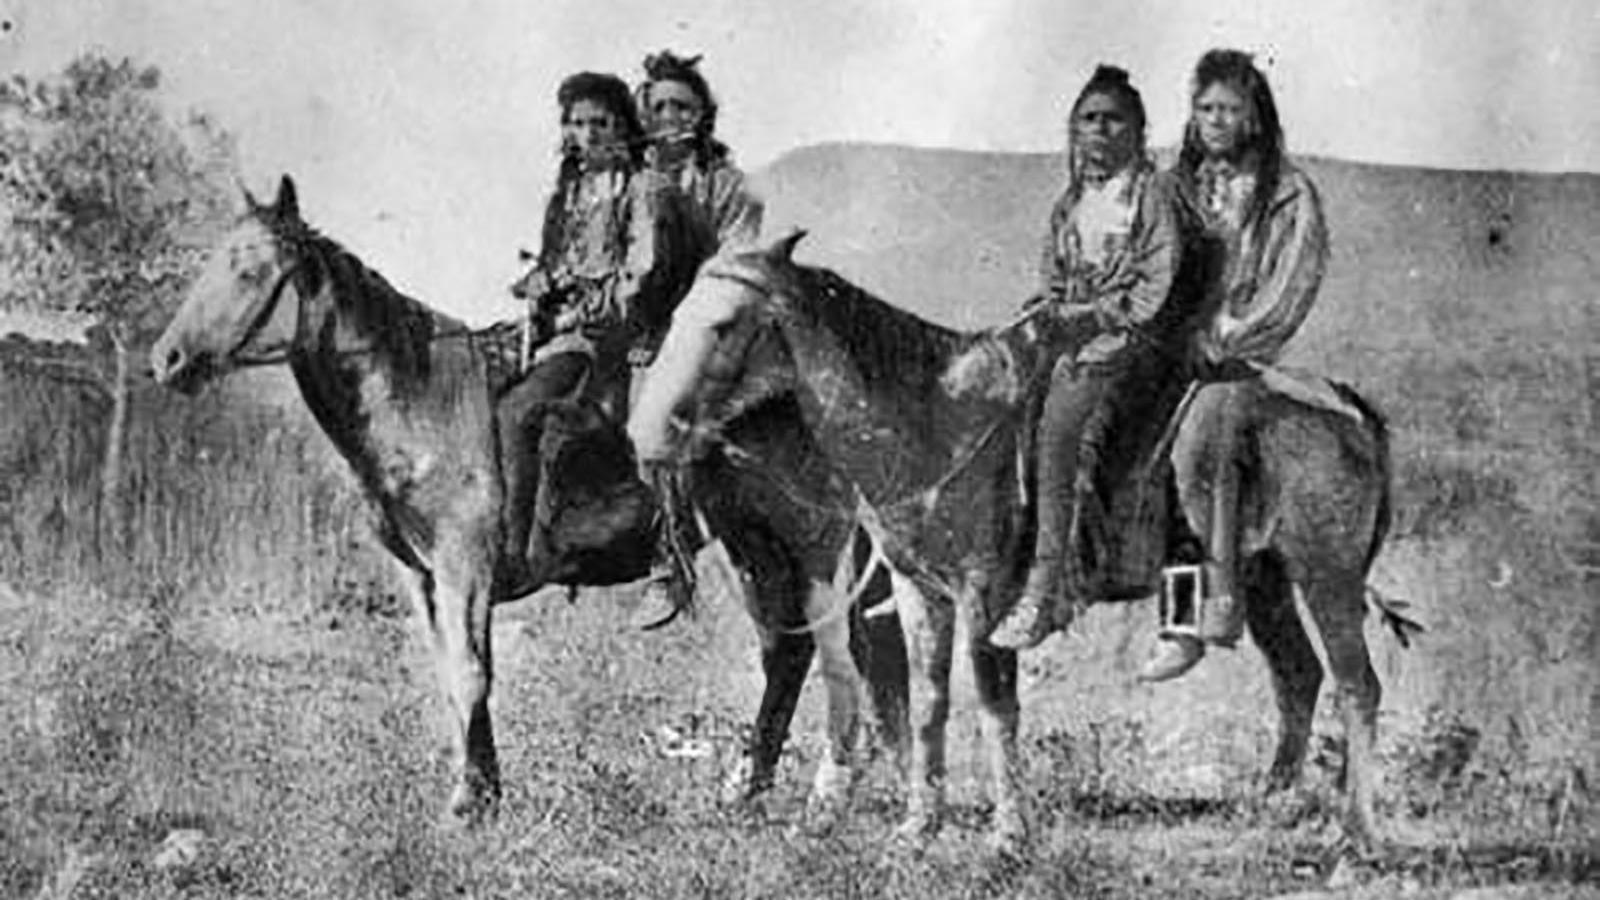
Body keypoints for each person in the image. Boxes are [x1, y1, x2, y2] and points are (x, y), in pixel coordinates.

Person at [988, 66, 1202, 651]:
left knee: (1064, 432)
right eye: (1089, 120)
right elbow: (1053, 277)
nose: (1101, 131)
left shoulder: (1151, 195)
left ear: (1137, 129)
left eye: (1114, 120)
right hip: (1079, 343)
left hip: (1136, 345)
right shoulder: (1071, 203)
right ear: (1074, 132)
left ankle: (1047, 591)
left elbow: (1156, 283)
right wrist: (1051, 310)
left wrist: (1092, 317)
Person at [1137, 49, 1331, 682]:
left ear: (1254, 116)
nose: (1216, 120)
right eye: (1205, 108)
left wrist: (1226, 337)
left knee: (1201, 439)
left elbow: (1290, 285)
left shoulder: (1288, 193)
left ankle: (1194, 615)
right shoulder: (1174, 185)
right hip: (1169, 348)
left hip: (1238, 357)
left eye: (1229, 108)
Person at [497, 71, 660, 593]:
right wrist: (541, 280)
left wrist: (596, 299)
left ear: (622, 128)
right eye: (576, 123)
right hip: (554, 329)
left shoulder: (638, 190)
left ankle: (516, 551)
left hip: (601, 336)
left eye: (599, 123)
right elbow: (552, 261)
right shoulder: (564, 196)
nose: (587, 134)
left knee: (517, 412)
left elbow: (643, 268)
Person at [630, 50, 765, 628]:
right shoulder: (630, 181)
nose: (668, 117)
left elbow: (734, 267)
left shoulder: (729, 185)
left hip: (702, 325)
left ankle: (672, 558)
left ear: (704, 114)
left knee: (654, 424)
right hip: (635, 323)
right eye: (657, 106)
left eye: (681, 106)